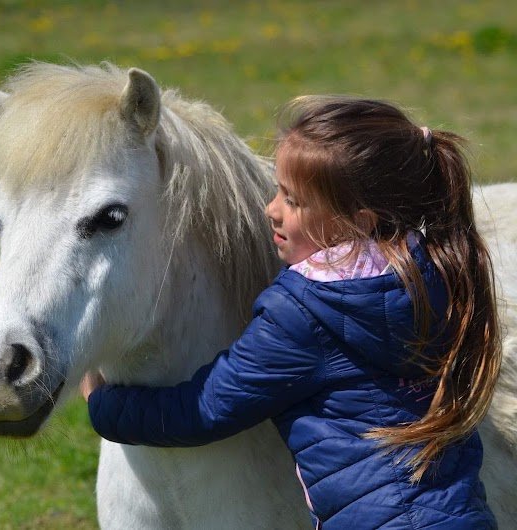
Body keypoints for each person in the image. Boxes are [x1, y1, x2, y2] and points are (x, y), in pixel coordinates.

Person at [80, 96, 501, 529]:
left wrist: (104, 403)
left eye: (293, 201)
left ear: (358, 221)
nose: (271, 209)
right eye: (277, 191)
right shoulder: (433, 272)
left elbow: (205, 408)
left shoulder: (304, 313)